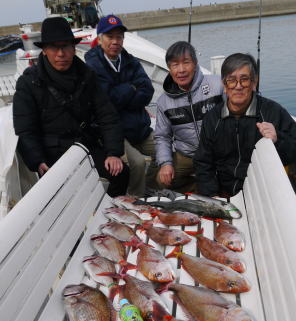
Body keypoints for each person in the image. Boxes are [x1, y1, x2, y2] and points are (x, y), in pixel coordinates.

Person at [13, 16, 129, 197]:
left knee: (120, 173)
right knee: (64, 194)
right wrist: (38, 161)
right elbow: (25, 129)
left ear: (74, 48)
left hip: (84, 146)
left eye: (66, 46)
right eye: (54, 47)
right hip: (52, 154)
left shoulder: (87, 75)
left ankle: (109, 216)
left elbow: (107, 115)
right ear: (44, 50)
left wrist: (114, 152)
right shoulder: (29, 82)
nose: (61, 53)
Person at [193, 52, 296, 197]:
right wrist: (212, 196)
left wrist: (278, 138)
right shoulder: (213, 118)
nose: (238, 86)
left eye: (244, 80)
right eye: (232, 80)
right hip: (224, 193)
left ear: (254, 82)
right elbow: (203, 163)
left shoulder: (273, 112)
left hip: (265, 194)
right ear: (224, 84)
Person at [85, 15, 155, 197]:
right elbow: (107, 101)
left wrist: (122, 93)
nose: (115, 41)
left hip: (139, 127)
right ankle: (134, 201)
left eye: (119, 37)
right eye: (110, 37)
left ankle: (151, 187)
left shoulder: (130, 60)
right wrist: (132, 87)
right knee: (137, 163)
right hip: (116, 132)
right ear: (100, 39)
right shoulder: (93, 66)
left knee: (165, 150)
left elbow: (147, 91)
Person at [146, 40, 223, 193]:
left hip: (218, 152)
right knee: (159, 182)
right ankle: (196, 188)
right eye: (175, 65)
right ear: (169, 68)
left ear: (195, 64)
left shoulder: (218, 85)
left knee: (226, 182)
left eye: (186, 63)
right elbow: (162, 137)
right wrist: (165, 163)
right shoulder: (163, 102)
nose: (181, 70)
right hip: (187, 154)